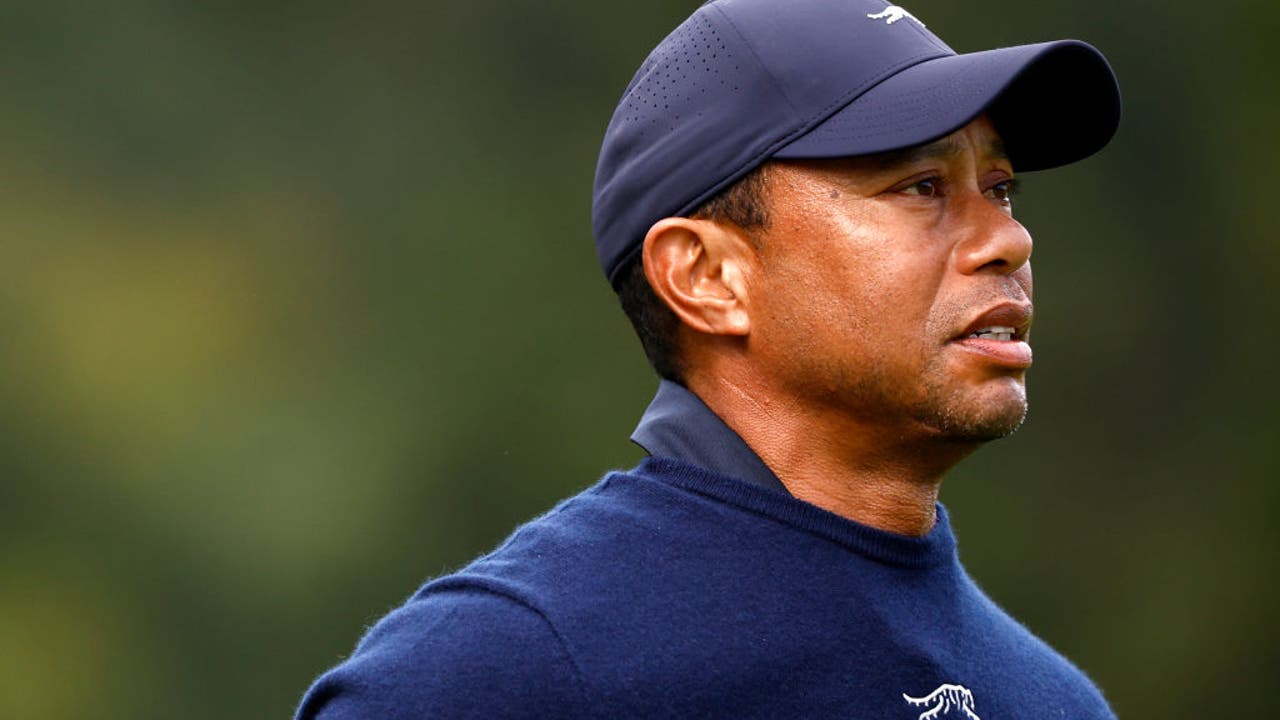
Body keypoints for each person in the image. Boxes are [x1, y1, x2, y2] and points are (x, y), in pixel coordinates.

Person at [295, 0, 1122, 718]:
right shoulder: (499, 669)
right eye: (920, 187)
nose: (1008, 239)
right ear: (707, 278)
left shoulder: (1053, 702)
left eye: (999, 187)